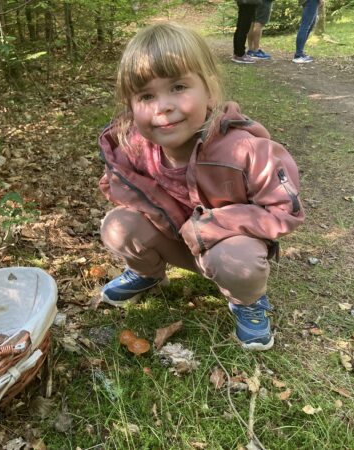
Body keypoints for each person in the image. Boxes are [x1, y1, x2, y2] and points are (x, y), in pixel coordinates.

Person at [97, 23, 305, 351]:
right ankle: (147, 274)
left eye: (178, 87)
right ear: (131, 106)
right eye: (146, 95)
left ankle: (248, 301)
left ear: (209, 91)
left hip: (227, 250)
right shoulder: (137, 146)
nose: (162, 106)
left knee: (235, 260)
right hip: (176, 239)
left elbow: (284, 210)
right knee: (116, 225)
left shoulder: (242, 150)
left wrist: (212, 226)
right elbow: (120, 182)